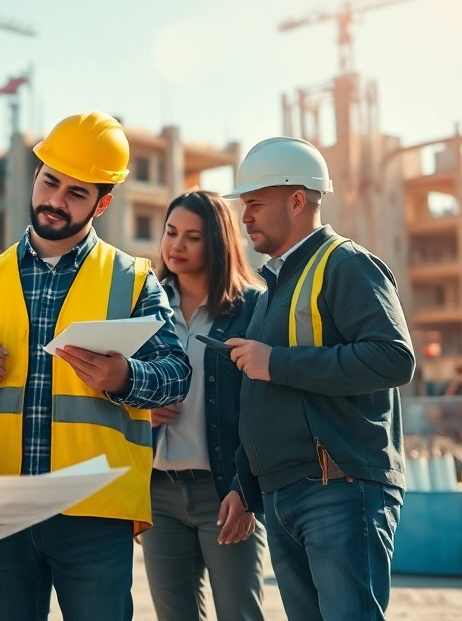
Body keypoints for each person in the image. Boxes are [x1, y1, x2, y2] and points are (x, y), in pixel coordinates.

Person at [0, 112, 191, 621]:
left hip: (93, 509)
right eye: (50, 181)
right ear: (35, 176)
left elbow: (177, 374)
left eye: (76, 193)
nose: (56, 200)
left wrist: (125, 378)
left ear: (102, 203)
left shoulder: (133, 281)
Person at [223, 137, 415, 621]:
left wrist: (278, 363)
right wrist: (245, 485)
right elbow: (265, 395)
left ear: (297, 200)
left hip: (340, 489)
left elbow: (393, 358)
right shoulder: (271, 291)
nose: (244, 218)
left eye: (254, 204)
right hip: (282, 494)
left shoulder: (347, 265)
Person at [143, 191, 266, 621]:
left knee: (240, 615)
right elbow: (111, 390)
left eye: (191, 237)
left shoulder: (254, 307)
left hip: (226, 492)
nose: (175, 246)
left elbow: (265, 411)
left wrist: (247, 489)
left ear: (217, 242)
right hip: (157, 493)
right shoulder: (144, 307)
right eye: (170, 232)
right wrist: (139, 409)